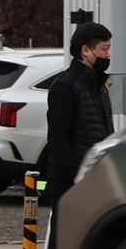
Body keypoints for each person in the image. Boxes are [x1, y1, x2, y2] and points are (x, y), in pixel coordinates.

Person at [45, 22, 114, 210]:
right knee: (66, 238)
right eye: (104, 49)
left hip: (95, 179)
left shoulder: (99, 84)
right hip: (70, 185)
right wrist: (75, 174)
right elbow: (57, 138)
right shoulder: (66, 86)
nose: (108, 55)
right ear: (86, 50)